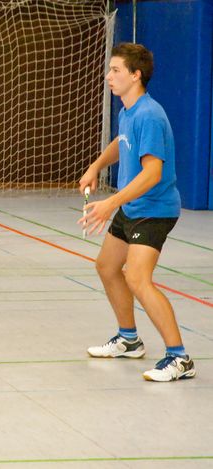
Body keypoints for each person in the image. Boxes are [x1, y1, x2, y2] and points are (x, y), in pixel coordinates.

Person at [79, 43, 195, 382]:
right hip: (133, 206)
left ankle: (180, 358)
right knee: (107, 266)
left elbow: (153, 173)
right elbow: (122, 142)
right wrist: (96, 165)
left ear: (135, 75)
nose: (108, 76)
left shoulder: (149, 115)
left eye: (116, 70)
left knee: (137, 278)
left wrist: (110, 203)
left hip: (154, 209)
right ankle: (129, 339)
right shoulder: (128, 111)